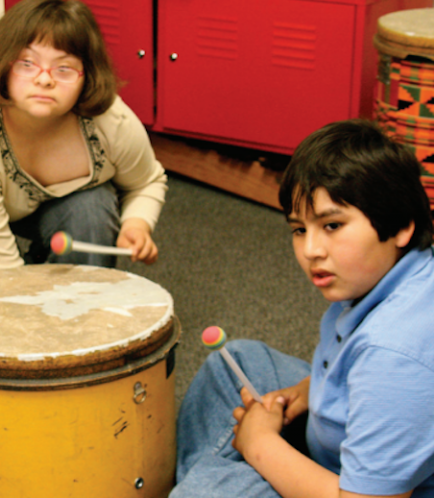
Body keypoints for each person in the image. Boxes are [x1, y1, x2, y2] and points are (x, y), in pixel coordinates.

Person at [169, 119, 434, 497]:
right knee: (236, 362)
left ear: (401, 226)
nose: (310, 250)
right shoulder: (395, 277)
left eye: (332, 225)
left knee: (208, 491)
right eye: (299, 229)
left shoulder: (395, 354)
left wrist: (260, 444)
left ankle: (211, 479)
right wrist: (312, 389)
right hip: (346, 440)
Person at [0, 0, 168, 288]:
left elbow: (147, 181)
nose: (45, 79)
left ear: (88, 77)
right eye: (27, 63)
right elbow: (7, 278)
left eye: (64, 68)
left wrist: (136, 223)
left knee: (92, 211)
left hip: (52, 200)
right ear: (3, 64)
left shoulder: (111, 121)